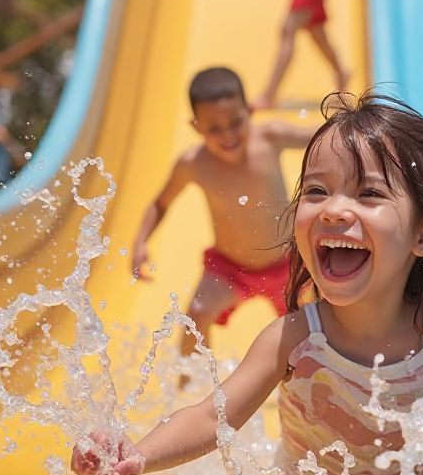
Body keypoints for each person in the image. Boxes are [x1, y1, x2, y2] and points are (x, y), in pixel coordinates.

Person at [77, 93, 423, 475]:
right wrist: (139, 454)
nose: (332, 210)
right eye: (316, 191)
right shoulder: (294, 340)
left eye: (369, 193)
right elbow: (211, 417)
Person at [131, 67, 316, 356]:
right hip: (232, 269)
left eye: (235, 122)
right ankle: (189, 387)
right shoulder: (193, 163)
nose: (227, 134)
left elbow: (324, 135)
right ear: (196, 127)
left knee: (311, 331)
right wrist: (141, 241)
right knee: (197, 314)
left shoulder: (270, 137)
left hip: (290, 263)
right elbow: (160, 203)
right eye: (214, 128)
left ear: (249, 111)